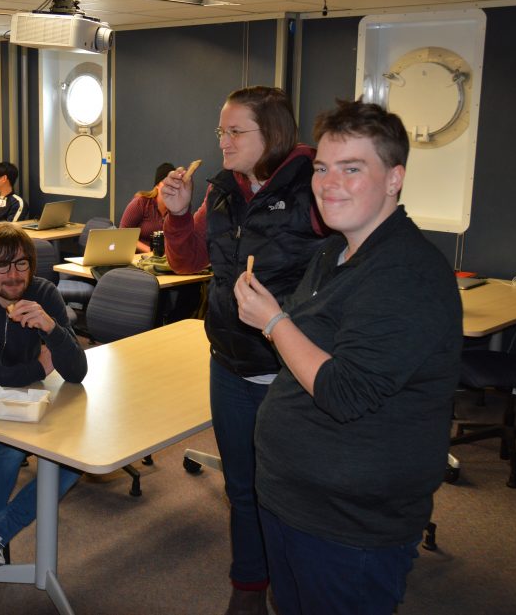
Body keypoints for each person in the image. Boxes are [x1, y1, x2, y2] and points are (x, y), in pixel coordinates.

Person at [234, 99, 462, 615]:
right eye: (321, 168)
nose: (328, 183)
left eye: (352, 169)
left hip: (349, 526)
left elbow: (343, 391)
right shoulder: (332, 253)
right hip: (292, 501)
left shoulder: (406, 273)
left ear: (394, 178)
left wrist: (273, 322)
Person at [160, 86, 325, 615]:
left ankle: (295, 586)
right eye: (221, 132)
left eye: (236, 132)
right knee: (242, 487)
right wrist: (181, 215)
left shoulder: (315, 187)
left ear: (271, 134)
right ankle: (249, 585)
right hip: (230, 363)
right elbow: (188, 263)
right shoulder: (224, 191)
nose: (224, 142)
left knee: (294, 490)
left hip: (291, 370)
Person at [0, 223, 87, 579]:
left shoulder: (44, 293)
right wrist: (34, 367)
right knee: (11, 446)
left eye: (21, 264)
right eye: (2, 266)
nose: (13, 275)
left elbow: (76, 372)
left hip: (26, 406)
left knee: (74, 457)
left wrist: (52, 329)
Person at [120, 162, 174, 253]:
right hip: (139, 259)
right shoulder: (141, 203)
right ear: (157, 185)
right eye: (166, 183)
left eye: (173, 184)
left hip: (165, 261)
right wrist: (150, 251)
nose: (170, 188)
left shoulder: (177, 209)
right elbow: (123, 234)